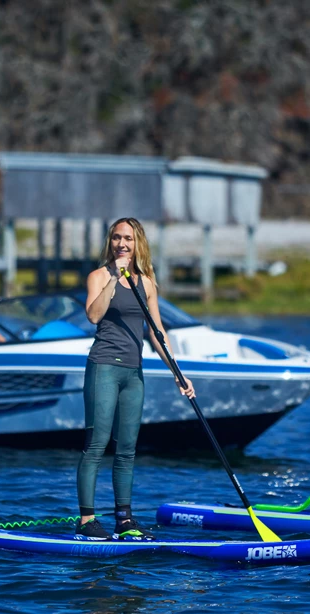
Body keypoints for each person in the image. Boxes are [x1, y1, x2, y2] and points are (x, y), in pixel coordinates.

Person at [76, 217, 195, 540]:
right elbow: (93, 315)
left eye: (127, 238)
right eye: (116, 238)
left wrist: (177, 373)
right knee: (97, 444)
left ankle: (124, 519)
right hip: (103, 368)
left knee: (127, 448)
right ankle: (87, 519)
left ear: (137, 243)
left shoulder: (148, 284)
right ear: (110, 242)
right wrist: (115, 278)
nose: (122, 244)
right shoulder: (98, 276)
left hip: (133, 373)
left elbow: (157, 334)